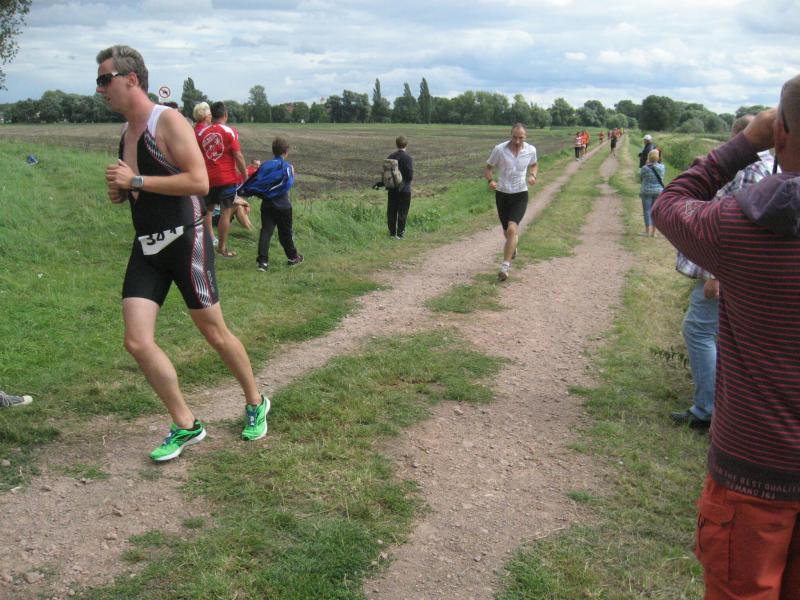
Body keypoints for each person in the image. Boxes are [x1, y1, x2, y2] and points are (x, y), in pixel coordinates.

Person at [651, 74, 800, 598]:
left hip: (752, 470)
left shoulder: (742, 225)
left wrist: (741, 145)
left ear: (778, 132)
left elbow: (669, 204)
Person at [97, 45, 269, 462]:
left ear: (131, 80)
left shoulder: (168, 121)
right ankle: (186, 424)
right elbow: (141, 188)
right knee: (137, 341)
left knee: (214, 333)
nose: (99, 88)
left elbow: (198, 182)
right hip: (147, 246)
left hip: (185, 240)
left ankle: (255, 401)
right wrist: (123, 192)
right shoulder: (127, 133)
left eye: (105, 79)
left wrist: (135, 181)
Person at [670, 115, 775, 431]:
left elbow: (735, 226)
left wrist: (715, 274)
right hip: (748, 274)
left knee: (698, 330)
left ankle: (707, 409)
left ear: (740, 137)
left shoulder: (748, 169)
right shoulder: (770, 166)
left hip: (726, 272)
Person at [241, 136, 304, 271]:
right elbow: (287, 184)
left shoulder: (265, 166)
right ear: (286, 152)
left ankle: (262, 262)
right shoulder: (287, 167)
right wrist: (292, 175)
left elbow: (257, 181)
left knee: (266, 232)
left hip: (267, 205)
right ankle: (293, 258)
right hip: (283, 206)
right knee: (285, 233)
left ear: (273, 151)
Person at [484, 123, 538, 281]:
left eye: (521, 138)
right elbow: (488, 168)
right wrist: (490, 181)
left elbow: (534, 165)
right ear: (511, 135)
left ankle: (505, 267)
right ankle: (512, 246)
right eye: (515, 137)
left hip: (520, 193)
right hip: (502, 194)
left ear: (525, 136)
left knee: (512, 229)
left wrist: (533, 175)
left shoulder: (531, 150)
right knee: (507, 231)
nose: (517, 141)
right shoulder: (499, 150)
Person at [198, 101, 248, 258]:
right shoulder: (230, 131)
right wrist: (244, 174)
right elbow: (238, 155)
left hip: (208, 179)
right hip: (226, 179)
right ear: (225, 114)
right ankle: (221, 248)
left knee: (207, 212)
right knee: (226, 213)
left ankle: (205, 245)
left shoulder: (201, 133)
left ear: (211, 115)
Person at [386, 135, 414, 239]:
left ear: (396, 144)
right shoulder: (407, 158)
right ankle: (400, 234)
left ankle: (392, 233)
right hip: (404, 189)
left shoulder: (390, 156)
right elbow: (410, 175)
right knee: (402, 212)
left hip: (392, 189)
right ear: (406, 144)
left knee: (391, 211)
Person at [637, 148, 664, 237]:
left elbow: (640, 178)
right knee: (655, 211)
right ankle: (654, 232)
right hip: (658, 191)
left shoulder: (644, 168)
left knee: (647, 211)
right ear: (658, 157)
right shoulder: (662, 167)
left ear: (649, 157)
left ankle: (647, 232)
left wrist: (646, 164)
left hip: (646, 191)